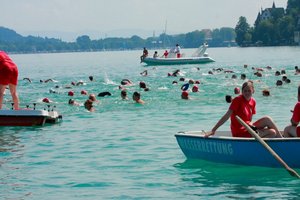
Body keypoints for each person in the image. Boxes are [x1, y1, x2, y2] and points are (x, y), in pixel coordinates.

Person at [206, 81, 282, 138]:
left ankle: (281, 139)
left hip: (249, 128)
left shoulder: (253, 101)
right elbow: (226, 116)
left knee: (268, 121)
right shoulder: (237, 100)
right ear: (242, 91)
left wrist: (254, 126)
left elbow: (249, 120)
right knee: (272, 132)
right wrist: (213, 130)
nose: (247, 93)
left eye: (249, 91)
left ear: (253, 91)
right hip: (239, 132)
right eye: (245, 91)